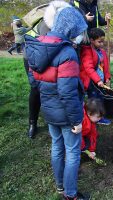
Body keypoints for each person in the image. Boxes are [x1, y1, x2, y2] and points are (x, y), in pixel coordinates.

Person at [25, 5, 90, 200]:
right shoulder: (67, 53)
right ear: (70, 29)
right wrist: (77, 121)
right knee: (72, 153)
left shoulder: (37, 45)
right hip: (66, 112)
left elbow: (33, 81)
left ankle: (61, 186)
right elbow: (67, 92)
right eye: (78, 31)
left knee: (57, 146)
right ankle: (70, 195)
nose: (79, 36)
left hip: (48, 109)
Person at [23, 1, 70, 138]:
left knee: (52, 86)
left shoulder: (62, 22)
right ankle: (33, 123)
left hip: (49, 54)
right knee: (36, 88)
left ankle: (54, 119)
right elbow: (48, 45)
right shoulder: (46, 23)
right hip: (33, 56)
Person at [79, 27, 111, 125]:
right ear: (92, 40)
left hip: (100, 82)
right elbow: (89, 68)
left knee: (100, 98)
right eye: (99, 42)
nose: (102, 44)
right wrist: (98, 80)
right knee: (94, 100)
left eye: (103, 41)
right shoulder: (87, 51)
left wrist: (107, 78)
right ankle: (93, 117)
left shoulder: (102, 52)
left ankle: (98, 116)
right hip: (92, 82)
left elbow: (106, 66)